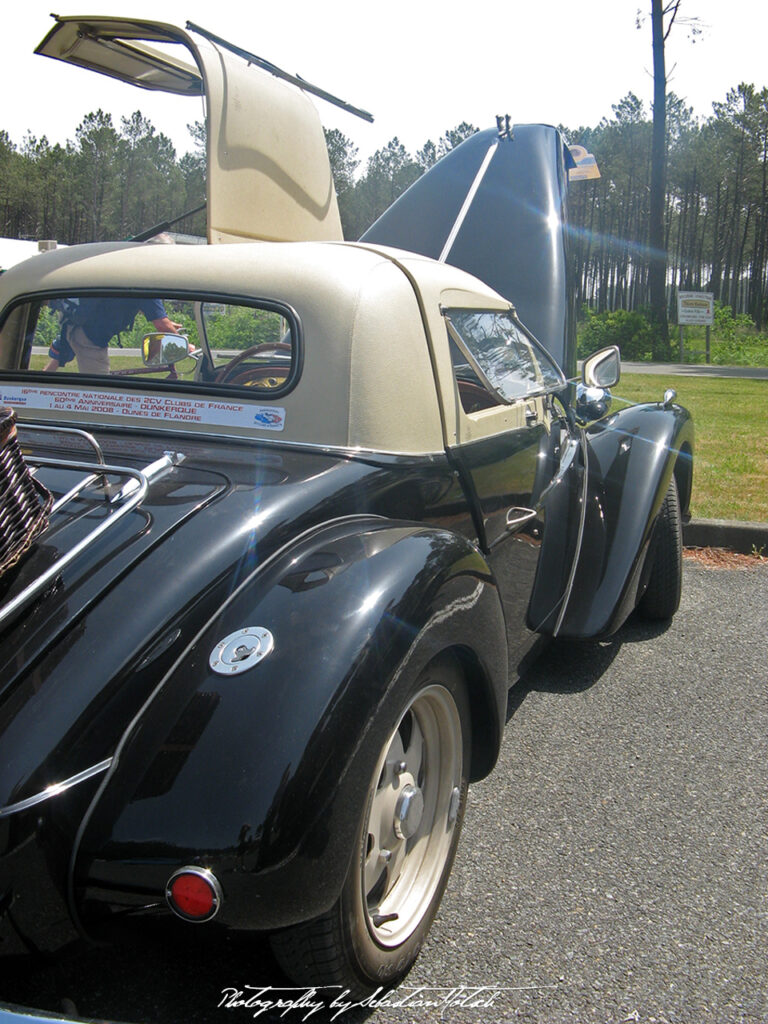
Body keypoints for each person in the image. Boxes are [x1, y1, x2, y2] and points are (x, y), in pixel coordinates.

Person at [44, 296, 184, 374]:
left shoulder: (135, 272)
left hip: (75, 320)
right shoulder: (148, 279)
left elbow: (137, 304)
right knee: (99, 390)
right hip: (88, 332)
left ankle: (37, 390)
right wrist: (185, 345)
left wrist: (167, 324)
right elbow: (161, 325)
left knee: (58, 360)